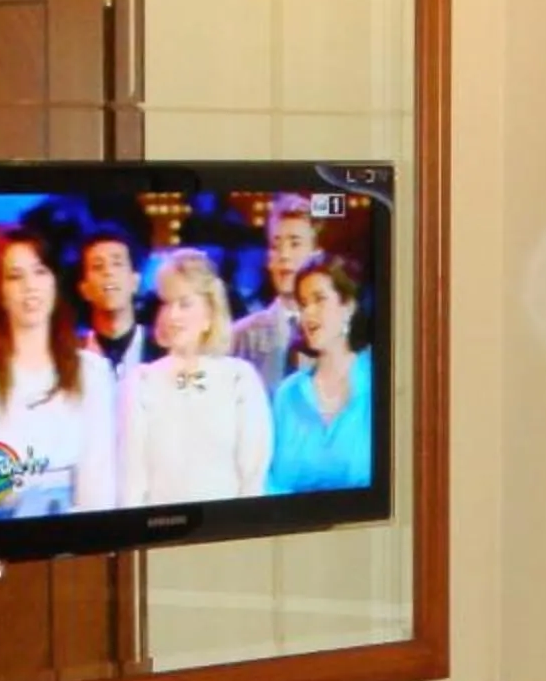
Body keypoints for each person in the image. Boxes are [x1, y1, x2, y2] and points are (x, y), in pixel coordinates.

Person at [0, 226, 118, 519]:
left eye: (40, 271)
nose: (30, 286)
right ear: (0, 292)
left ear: (55, 282)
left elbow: (99, 485)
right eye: (15, 276)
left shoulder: (92, 371)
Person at [121, 248, 271, 503]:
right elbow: (132, 484)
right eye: (166, 303)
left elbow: (252, 480)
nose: (172, 315)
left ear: (210, 315)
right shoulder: (141, 381)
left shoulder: (240, 379)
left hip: (226, 530)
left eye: (185, 303)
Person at [266, 254, 374, 495]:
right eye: (303, 304)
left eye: (319, 300)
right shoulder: (287, 395)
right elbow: (272, 484)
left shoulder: (381, 383)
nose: (308, 313)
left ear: (348, 307)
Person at [228, 193, 321, 394]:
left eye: (295, 244)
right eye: (275, 246)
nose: (284, 255)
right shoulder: (240, 337)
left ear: (316, 255)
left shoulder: (335, 335)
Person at [77, 226, 153, 375]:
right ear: (84, 289)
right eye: (98, 266)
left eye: (117, 264)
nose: (108, 272)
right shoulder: (71, 358)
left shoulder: (164, 351)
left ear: (135, 281)